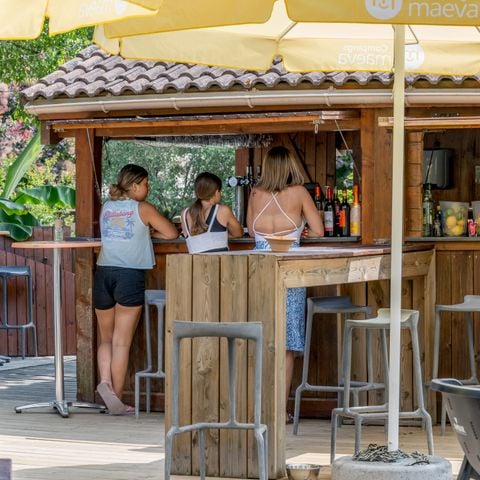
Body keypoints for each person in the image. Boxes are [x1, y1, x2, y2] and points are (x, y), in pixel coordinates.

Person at [246, 145, 324, 422]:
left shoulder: (255, 193)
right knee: (287, 341)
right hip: (289, 268)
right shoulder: (299, 192)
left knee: (260, 337)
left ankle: (258, 408)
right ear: (291, 166)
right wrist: (300, 230)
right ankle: (280, 409)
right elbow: (319, 230)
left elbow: (251, 230)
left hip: (258, 267)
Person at [94, 164, 178, 415]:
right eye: (146, 184)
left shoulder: (107, 207)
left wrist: (143, 232)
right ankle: (117, 401)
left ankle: (105, 382)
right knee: (121, 343)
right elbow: (171, 233)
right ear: (134, 185)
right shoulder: (143, 208)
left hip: (103, 273)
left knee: (106, 339)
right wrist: (149, 232)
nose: (148, 188)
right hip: (129, 275)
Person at [181, 172, 243, 253]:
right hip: (220, 261)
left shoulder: (184, 214)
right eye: (220, 191)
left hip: (194, 261)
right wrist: (219, 236)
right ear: (216, 192)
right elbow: (238, 233)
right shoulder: (223, 210)